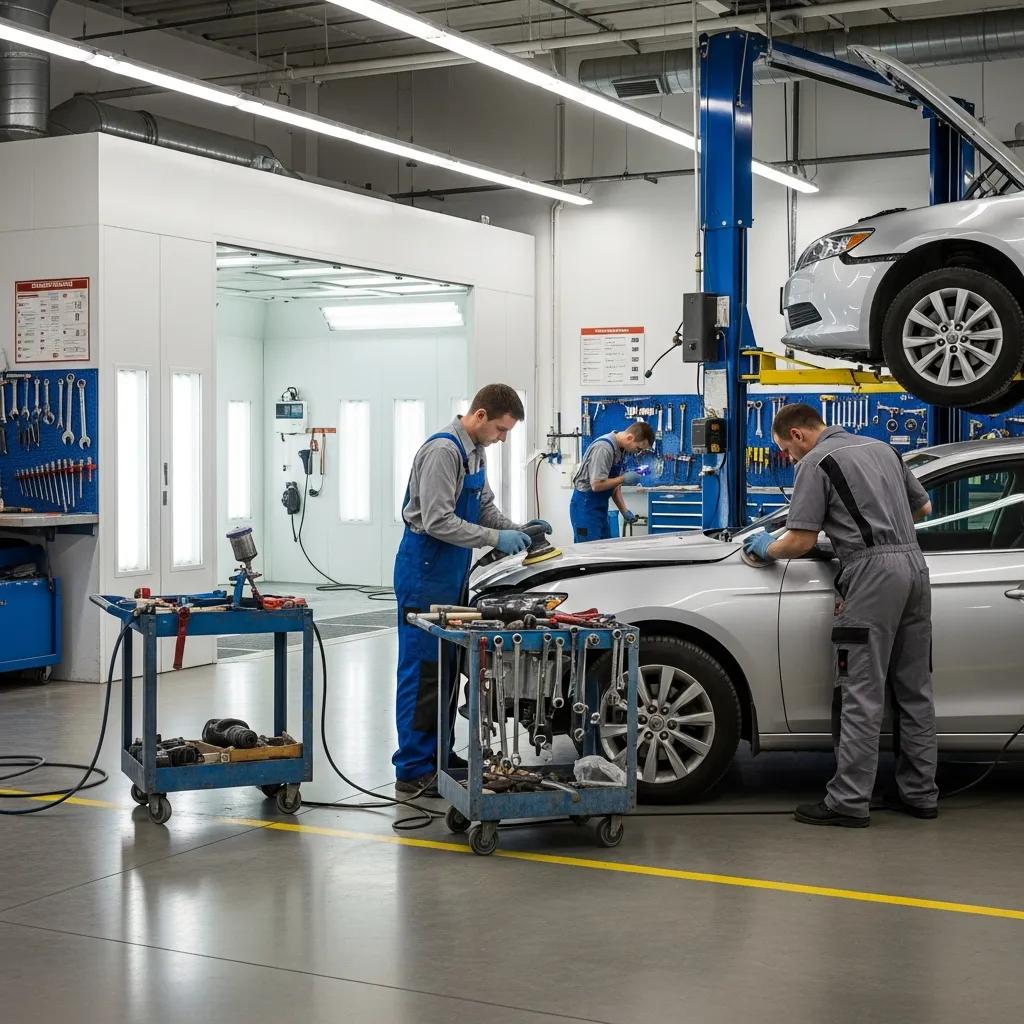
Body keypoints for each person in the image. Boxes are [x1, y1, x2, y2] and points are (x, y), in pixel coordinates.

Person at [743, 402, 937, 828]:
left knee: (860, 690)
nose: (791, 459)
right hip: (915, 568)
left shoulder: (817, 462)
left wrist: (764, 547)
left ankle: (849, 801)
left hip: (871, 576)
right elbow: (922, 509)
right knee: (914, 689)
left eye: (788, 451)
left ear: (797, 435)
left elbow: (797, 540)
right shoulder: (882, 448)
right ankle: (920, 794)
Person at [392, 384, 548, 795]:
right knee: (423, 672)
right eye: (500, 429)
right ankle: (411, 768)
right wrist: (494, 541)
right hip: (424, 568)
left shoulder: (474, 451)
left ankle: (439, 757)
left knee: (445, 670)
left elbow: (482, 508)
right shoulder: (443, 452)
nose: (502, 438)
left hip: (451, 571)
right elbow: (438, 520)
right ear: (479, 416)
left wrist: (518, 530)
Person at [569, 421, 655, 542]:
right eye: (638, 448)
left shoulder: (622, 451)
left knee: (605, 549)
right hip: (585, 507)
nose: (638, 452)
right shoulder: (604, 448)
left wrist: (624, 510)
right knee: (588, 553)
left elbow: (615, 487)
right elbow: (596, 485)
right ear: (630, 437)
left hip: (600, 509)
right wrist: (624, 478)